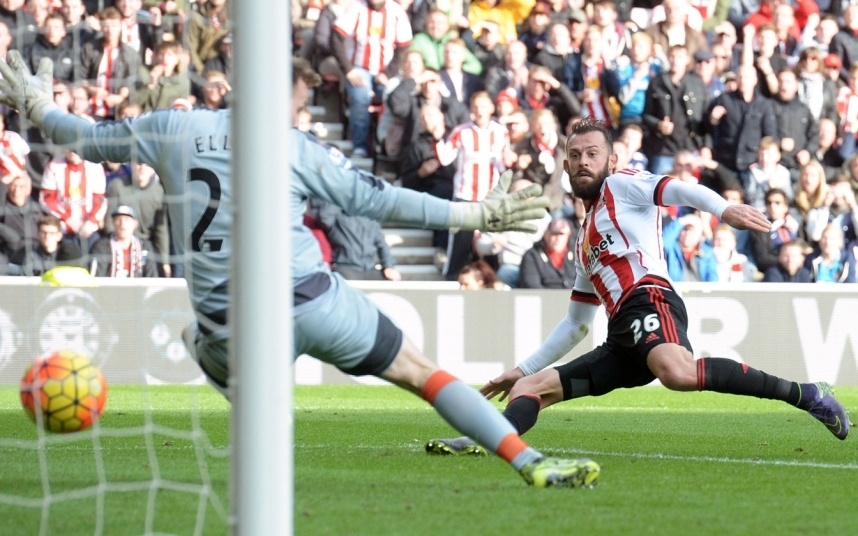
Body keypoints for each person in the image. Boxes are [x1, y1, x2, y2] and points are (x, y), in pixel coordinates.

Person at [0, 52, 599, 488]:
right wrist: (477, 214)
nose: (297, 110)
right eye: (295, 102)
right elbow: (379, 200)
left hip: (229, 323)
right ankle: (530, 463)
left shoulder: (170, 128)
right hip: (313, 302)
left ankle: (228, 376)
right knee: (425, 374)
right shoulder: (295, 147)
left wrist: (34, 102)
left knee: (201, 339)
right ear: (281, 98)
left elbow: (75, 136)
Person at [425, 118, 849, 458]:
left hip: (650, 297)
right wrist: (522, 369)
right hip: (622, 337)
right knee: (528, 391)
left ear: (611, 160)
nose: (583, 162)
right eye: (574, 156)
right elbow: (575, 324)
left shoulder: (621, 184)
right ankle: (487, 441)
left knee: (678, 373)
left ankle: (809, 396)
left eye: (593, 154)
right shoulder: (584, 238)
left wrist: (723, 208)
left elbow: (675, 188)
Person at [312, 198, 402, 281]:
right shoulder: (338, 218)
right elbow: (324, 216)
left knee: (392, 282)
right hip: (345, 267)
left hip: (369, 269)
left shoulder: (370, 219)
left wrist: (388, 266)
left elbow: (381, 244)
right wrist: (339, 195)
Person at [89, 205, 159, 277]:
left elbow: (152, 277)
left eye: (127, 220)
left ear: (135, 224)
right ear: (113, 223)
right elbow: (97, 276)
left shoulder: (145, 247)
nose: (122, 224)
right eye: (118, 220)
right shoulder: (102, 246)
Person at [518, 216, 576, 289]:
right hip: (544, 298)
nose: (558, 238)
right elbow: (531, 285)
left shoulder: (577, 254)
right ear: (546, 234)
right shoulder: (532, 255)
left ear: (568, 235)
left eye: (561, 234)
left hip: (574, 298)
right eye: (554, 234)